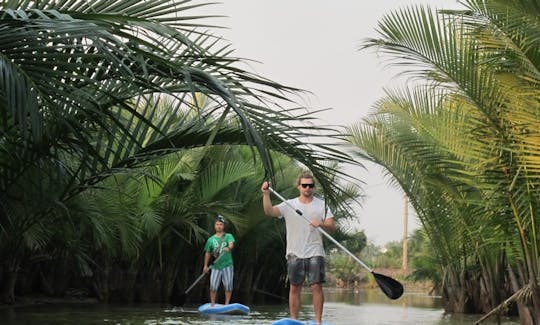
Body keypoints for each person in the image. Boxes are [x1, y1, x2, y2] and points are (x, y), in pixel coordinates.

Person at [261, 172, 336, 324]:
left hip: (315, 251)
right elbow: (269, 211)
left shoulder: (322, 205)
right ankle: (294, 321)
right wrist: (266, 194)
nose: (307, 188)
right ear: (299, 187)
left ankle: (318, 321)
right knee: (295, 287)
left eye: (310, 185)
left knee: (316, 286)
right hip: (294, 252)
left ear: (313, 187)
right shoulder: (289, 204)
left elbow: (332, 227)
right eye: (304, 185)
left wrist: (320, 223)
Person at [203, 215, 235, 306]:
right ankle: (212, 304)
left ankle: (227, 303)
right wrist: (205, 266)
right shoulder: (211, 240)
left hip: (227, 264)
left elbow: (231, 244)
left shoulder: (228, 236)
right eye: (217, 224)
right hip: (215, 266)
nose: (219, 226)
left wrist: (228, 248)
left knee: (228, 285)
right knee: (213, 285)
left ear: (223, 226)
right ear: (214, 226)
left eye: (221, 224)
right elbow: (207, 253)